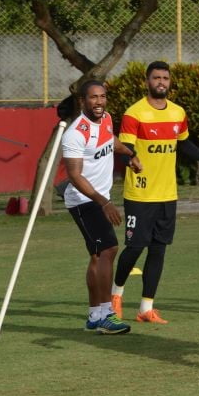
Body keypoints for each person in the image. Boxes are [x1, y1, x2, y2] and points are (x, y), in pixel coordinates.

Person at [111, 61, 199, 324]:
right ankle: (115, 296)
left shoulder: (177, 113)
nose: (161, 82)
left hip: (167, 194)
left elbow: (184, 144)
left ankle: (146, 308)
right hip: (140, 195)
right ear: (147, 81)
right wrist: (131, 160)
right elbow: (124, 148)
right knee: (135, 247)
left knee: (159, 250)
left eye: (165, 78)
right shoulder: (134, 113)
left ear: (170, 82)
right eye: (156, 78)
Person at [62, 81, 141, 334]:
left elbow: (111, 141)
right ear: (83, 101)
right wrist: (104, 202)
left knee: (98, 255)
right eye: (93, 98)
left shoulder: (105, 118)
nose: (99, 102)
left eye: (102, 97)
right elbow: (74, 175)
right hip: (84, 199)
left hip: (98, 198)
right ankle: (107, 313)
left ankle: (95, 315)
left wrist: (128, 154)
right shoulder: (75, 133)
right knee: (109, 248)